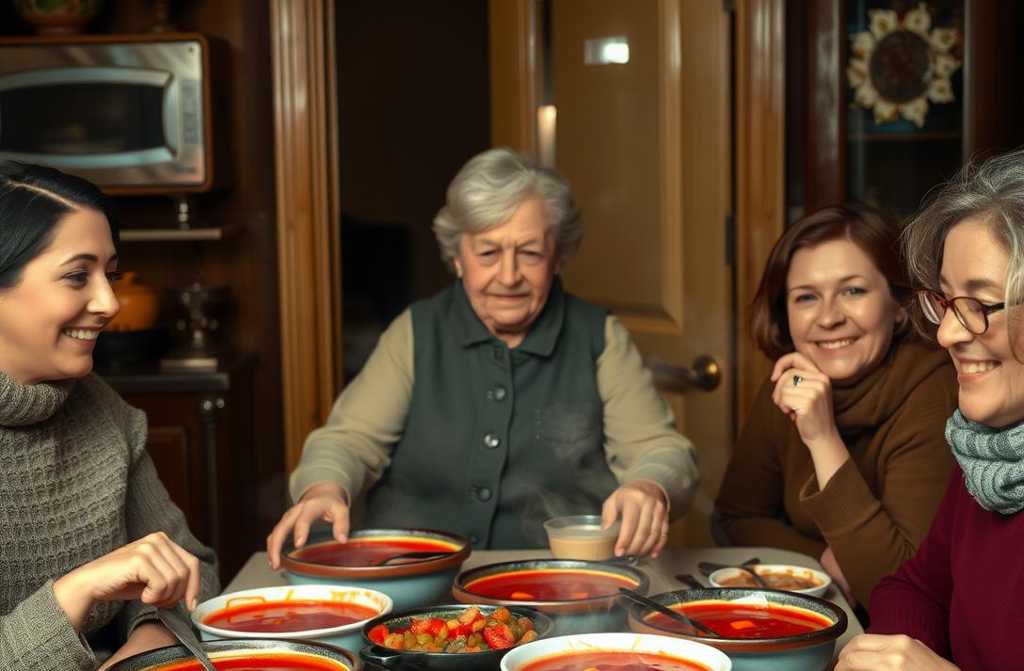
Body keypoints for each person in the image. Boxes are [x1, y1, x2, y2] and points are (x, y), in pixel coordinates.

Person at [267, 148, 698, 565]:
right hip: (419, 580)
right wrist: (324, 487)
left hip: (558, 582)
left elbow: (659, 448)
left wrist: (650, 486)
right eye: (488, 253)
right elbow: (349, 441)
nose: (508, 277)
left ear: (558, 257)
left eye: (530, 253)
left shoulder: (600, 337)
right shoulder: (415, 332)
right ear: (458, 257)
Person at [0, 162, 219, 671]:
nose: (110, 302)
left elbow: (195, 570)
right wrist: (72, 597)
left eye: (110, 274)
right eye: (78, 276)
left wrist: (151, 635)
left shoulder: (102, 408)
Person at [712, 204, 956, 608]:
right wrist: (823, 559)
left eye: (853, 291)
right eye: (806, 297)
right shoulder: (793, 382)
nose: (828, 318)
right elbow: (733, 519)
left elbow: (900, 590)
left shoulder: (934, 393)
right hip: (815, 613)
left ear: (899, 305)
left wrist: (822, 437)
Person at [837, 149, 1024, 669]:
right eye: (944, 301)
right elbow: (916, 588)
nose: (945, 335)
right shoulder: (988, 457)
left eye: (979, 304)